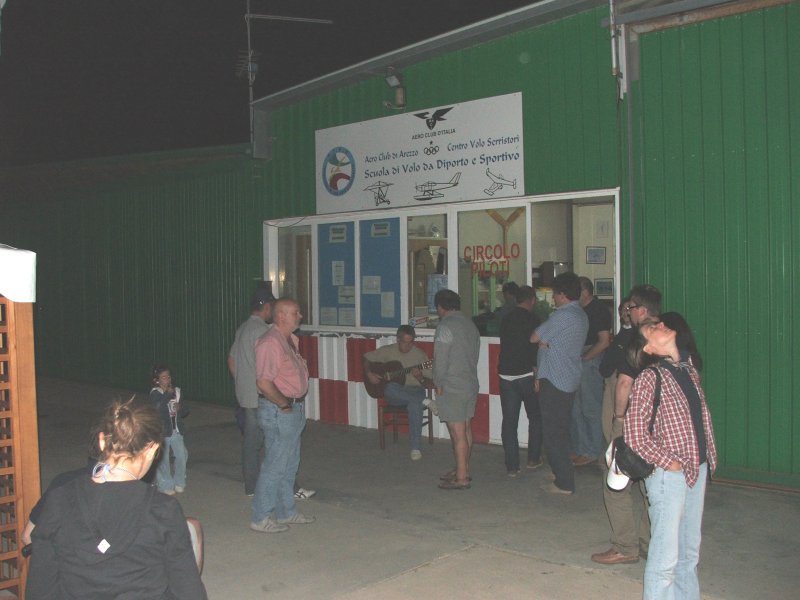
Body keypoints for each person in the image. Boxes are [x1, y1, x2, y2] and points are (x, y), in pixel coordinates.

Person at [27, 397, 207, 599]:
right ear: (152, 450)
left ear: (102, 441)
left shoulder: (59, 499)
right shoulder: (163, 510)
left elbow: (40, 588)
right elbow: (188, 589)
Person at [625, 318, 717, 600]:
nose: (661, 324)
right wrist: (670, 463)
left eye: (658, 322)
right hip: (670, 477)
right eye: (652, 328)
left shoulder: (688, 369)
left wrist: (705, 459)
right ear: (649, 348)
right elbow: (634, 434)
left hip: (696, 468)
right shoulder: (649, 377)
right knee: (665, 561)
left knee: (689, 555)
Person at [591, 284, 660, 565]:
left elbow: (624, 382)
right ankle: (647, 542)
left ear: (641, 310)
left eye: (630, 307)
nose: (627, 312)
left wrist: (618, 419)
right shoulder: (669, 336)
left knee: (616, 483)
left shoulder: (638, 339)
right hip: (658, 423)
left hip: (633, 420)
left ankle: (625, 546)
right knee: (649, 484)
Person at [250, 298, 314, 533]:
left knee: (289, 464)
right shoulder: (270, 342)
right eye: (296, 312)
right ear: (280, 316)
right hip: (279, 411)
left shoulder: (289, 340)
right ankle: (260, 517)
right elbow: (263, 382)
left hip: (292, 408)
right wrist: (284, 405)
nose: (300, 316)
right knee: (275, 466)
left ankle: (286, 511)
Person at [530, 272, 588, 495]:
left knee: (553, 433)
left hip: (555, 380)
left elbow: (535, 337)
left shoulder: (562, 315)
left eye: (554, 294)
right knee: (561, 429)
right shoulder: (580, 314)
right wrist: (548, 344)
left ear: (563, 294)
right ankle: (559, 471)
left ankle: (564, 482)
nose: (553, 298)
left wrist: (546, 343)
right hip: (567, 376)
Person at [228, 285, 275, 496]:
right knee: (262, 441)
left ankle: (251, 485)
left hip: (246, 394)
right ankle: (256, 485)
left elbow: (231, 360)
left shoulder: (243, 328)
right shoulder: (263, 332)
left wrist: (242, 381)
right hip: (259, 395)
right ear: (266, 307)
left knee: (251, 441)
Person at [432, 289, 480, 490]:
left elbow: (440, 360)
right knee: (466, 428)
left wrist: (438, 382)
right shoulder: (470, 324)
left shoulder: (445, 326)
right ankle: (463, 468)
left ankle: (461, 478)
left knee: (457, 432)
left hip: (452, 386)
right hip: (470, 383)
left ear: (440, 307)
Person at [363, 324, 433, 460]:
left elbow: (428, 383)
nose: (408, 346)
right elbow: (366, 358)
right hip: (395, 393)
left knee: (415, 405)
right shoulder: (388, 351)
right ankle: (424, 401)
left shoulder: (420, 355)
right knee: (389, 388)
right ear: (398, 340)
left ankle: (415, 448)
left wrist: (420, 377)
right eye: (405, 342)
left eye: (411, 342)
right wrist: (369, 373)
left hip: (415, 390)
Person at [498, 285, 542, 476]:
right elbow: (535, 349)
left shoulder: (506, 318)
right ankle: (533, 458)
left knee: (509, 421)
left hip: (506, 375)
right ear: (532, 300)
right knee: (535, 417)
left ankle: (512, 466)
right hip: (527, 374)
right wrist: (537, 374)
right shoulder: (534, 319)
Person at [571, 277, 613, 466]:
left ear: (585, 292)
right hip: (582, 358)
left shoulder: (598, 310)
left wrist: (586, 358)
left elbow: (604, 341)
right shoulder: (578, 310)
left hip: (590, 359)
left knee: (590, 407)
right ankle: (582, 449)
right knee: (577, 408)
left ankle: (592, 451)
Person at [150, 364, 189, 495]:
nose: (167, 379)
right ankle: (165, 484)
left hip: (176, 430)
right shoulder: (155, 393)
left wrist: (180, 408)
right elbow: (157, 408)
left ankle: (179, 481)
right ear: (157, 380)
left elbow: (185, 410)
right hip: (162, 432)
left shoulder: (177, 391)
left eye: (168, 376)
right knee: (163, 459)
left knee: (182, 455)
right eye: (163, 377)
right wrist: (167, 395)